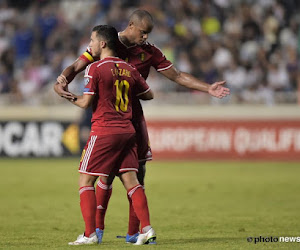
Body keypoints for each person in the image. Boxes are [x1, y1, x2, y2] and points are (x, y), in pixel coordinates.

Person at [53, 9, 230, 244]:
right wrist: (63, 79)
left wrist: (207, 88)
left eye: (148, 34)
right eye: (143, 32)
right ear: (131, 26)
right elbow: (76, 66)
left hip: (130, 119)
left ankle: (133, 232)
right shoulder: (107, 42)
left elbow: (177, 76)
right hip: (109, 118)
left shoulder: (148, 52)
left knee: (136, 174)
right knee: (106, 176)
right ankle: (100, 229)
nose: (146, 38)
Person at [56, 24, 155, 245]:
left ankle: (90, 234)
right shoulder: (129, 69)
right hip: (128, 132)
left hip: (104, 131)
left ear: (102, 43)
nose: (89, 45)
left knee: (85, 180)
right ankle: (146, 229)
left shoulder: (95, 68)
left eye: (91, 41)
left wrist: (65, 95)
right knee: (132, 181)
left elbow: (84, 103)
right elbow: (149, 94)